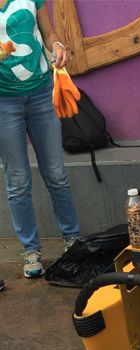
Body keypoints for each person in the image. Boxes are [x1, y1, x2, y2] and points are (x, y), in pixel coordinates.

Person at [0, 0, 80, 278]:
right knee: (18, 181)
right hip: (3, 102)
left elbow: (49, 34)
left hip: (42, 94)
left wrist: (57, 46)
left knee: (56, 173)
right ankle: (31, 251)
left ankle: (73, 241)